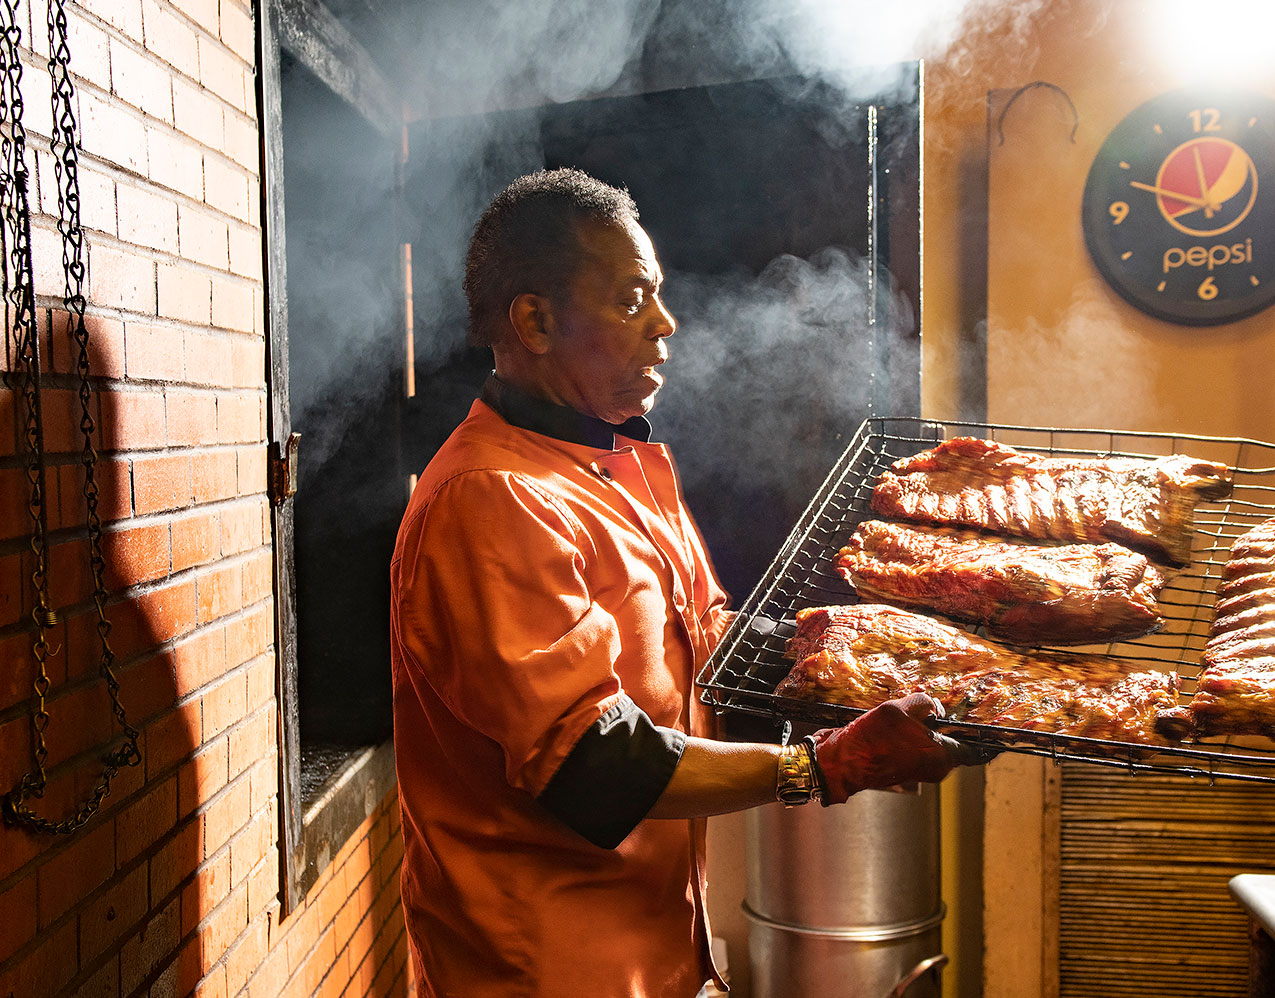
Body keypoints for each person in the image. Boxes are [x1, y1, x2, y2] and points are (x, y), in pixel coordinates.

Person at [390, 167, 978, 998]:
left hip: (659, 946)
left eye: (657, 296)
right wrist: (818, 767)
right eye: (631, 300)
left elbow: (704, 639)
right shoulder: (494, 499)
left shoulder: (613, 466)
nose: (664, 324)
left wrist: (880, 656)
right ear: (535, 319)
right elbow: (592, 765)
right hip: (545, 967)